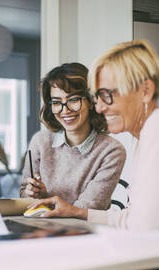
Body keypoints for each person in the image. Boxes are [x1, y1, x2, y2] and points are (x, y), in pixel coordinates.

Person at [4, 40, 159, 270]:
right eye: (96, 96)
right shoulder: (144, 137)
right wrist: (76, 213)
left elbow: (144, 232)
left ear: (145, 91)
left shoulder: (153, 134)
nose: (99, 105)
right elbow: (134, 219)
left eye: (105, 95)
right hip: (134, 265)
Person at [20, 62, 125, 211]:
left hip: (86, 231)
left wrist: (46, 201)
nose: (65, 110)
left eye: (73, 100)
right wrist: (35, 194)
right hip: (41, 227)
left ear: (90, 101)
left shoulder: (112, 151)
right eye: (56, 102)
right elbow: (24, 198)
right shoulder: (40, 141)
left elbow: (87, 210)